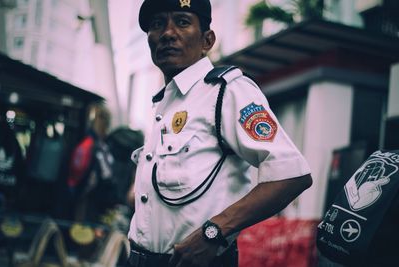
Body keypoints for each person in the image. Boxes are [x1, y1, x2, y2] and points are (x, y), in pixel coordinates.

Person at [126, 0, 313, 266]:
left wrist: (213, 233)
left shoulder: (226, 91)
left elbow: (292, 174)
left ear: (207, 40)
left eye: (182, 21)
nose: (167, 33)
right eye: (157, 24)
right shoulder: (164, 104)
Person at [67, 103, 115, 223]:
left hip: (82, 194)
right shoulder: (99, 146)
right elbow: (106, 175)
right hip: (90, 199)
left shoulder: (90, 142)